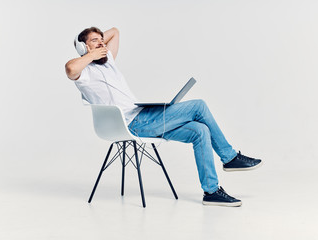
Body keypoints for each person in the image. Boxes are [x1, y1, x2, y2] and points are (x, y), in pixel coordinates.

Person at [65, 26, 262, 207]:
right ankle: (229, 157)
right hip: (131, 124)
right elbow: (70, 69)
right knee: (199, 106)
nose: (101, 43)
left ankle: (211, 192)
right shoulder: (85, 74)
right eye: (94, 40)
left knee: (200, 131)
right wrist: (88, 52)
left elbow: (115, 32)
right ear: (83, 47)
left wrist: (97, 43)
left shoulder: (109, 65)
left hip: (145, 117)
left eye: (101, 40)